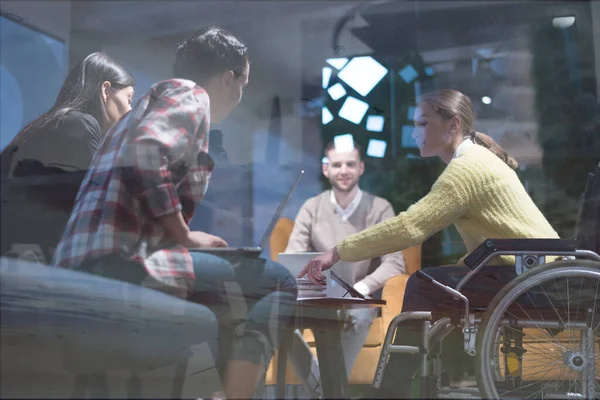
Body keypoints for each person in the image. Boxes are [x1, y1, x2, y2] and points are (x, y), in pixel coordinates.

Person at [52, 27, 297, 400]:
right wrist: (184, 235)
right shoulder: (190, 94)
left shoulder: (138, 113)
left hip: (78, 269)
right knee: (279, 282)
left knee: (230, 300)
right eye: (242, 84)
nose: (240, 94)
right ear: (228, 77)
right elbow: (147, 152)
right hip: (118, 265)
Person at [299, 89, 559, 398]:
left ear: (453, 125)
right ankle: (414, 383)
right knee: (435, 285)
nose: (414, 133)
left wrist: (338, 251)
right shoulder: (474, 159)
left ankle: (392, 390)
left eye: (423, 123)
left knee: (423, 284)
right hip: (532, 270)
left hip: (532, 277)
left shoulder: (467, 168)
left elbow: (411, 226)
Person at [285, 139, 405, 396]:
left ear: (361, 168)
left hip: (358, 298)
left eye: (350, 164)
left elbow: (395, 262)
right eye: (336, 164)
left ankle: (324, 390)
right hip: (317, 297)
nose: (343, 170)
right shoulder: (312, 208)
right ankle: (329, 391)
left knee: (361, 317)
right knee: (280, 320)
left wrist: (362, 288)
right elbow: (294, 255)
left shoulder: (380, 208)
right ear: (325, 169)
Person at [0, 52, 135, 261]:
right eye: (129, 99)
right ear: (106, 90)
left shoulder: (51, 122)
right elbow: (100, 203)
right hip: (34, 259)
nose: (130, 111)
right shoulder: (80, 124)